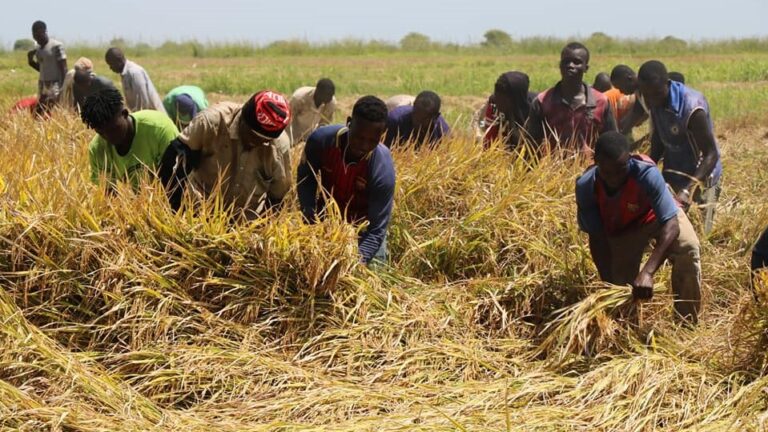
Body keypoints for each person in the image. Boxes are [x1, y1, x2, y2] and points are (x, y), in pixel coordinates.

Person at [576, 131, 701, 324]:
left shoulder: (645, 173)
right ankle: (628, 331)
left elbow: (671, 224)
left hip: (655, 218)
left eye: (621, 170)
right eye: (608, 172)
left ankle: (686, 322)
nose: (615, 178)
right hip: (624, 230)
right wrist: (607, 282)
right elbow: (597, 237)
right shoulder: (587, 187)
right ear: (596, 162)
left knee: (688, 247)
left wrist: (648, 272)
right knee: (621, 289)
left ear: (629, 159)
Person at [297, 96, 395, 265]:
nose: (363, 146)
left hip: (364, 232)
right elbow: (306, 178)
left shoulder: (381, 168)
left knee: (374, 280)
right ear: (349, 122)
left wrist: (353, 264)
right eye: (359, 137)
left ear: (382, 134)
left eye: (372, 140)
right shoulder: (321, 141)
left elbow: (377, 230)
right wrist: (309, 215)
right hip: (325, 223)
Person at [160, 91, 292, 215]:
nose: (255, 142)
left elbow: (277, 197)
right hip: (199, 215)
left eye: (264, 140)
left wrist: (263, 228)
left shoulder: (279, 146)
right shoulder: (211, 122)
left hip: (247, 225)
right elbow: (173, 160)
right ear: (243, 119)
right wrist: (178, 210)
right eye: (252, 134)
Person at [638, 60, 722, 234]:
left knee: (702, 232)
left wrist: (688, 189)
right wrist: (645, 170)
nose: (652, 100)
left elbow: (710, 154)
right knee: (670, 227)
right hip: (674, 169)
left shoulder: (692, 107)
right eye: (647, 95)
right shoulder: (653, 101)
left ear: (667, 84)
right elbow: (659, 142)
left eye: (656, 94)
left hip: (702, 175)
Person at [526, 42, 617, 155]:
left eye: (577, 62)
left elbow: (613, 143)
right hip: (552, 169)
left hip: (590, 169)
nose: (570, 65)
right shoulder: (542, 101)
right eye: (566, 61)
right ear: (560, 65)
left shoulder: (601, 101)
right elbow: (532, 145)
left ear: (586, 68)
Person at [82, 88, 178, 189]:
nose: (108, 137)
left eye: (113, 129)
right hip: (137, 201)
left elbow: (177, 180)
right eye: (101, 133)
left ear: (125, 113)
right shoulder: (97, 149)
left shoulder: (159, 130)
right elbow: (109, 196)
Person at [476, 72, 536, 150]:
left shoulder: (536, 110)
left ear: (516, 100)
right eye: (496, 95)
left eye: (503, 100)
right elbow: (482, 125)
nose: (498, 102)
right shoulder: (493, 106)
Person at [105, 47, 166, 114]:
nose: (110, 68)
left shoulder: (134, 73)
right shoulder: (125, 74)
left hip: (153, 116)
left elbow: (143, 102)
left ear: (118, 61)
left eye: (111, 64)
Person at [384, 90, 449, 149]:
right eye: (415, 115)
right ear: (413, 107)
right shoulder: (395, 121)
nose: (417, 121)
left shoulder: (443, 132)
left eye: (423, 119)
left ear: (435, 117)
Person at [27, 21, 67, 113]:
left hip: (55, 84)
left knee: (55, 108)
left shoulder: (56, 46)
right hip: (42, 84)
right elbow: (41, 69)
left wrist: (63, 86)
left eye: (37, 34)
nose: (35, 37)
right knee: (41, 109)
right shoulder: (38, 49)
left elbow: (64, 68)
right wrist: (31, 61)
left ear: (44, 31)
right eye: (33, 34)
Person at [286, 78, 337, 146]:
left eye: (332, 95)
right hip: (293, 135)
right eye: (328, 96)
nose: (330, 99)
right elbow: (288, 119)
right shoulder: (299, 98)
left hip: (309, 138)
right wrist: (289, 140)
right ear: (318, 92)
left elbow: (325, 125)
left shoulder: (331, 103)